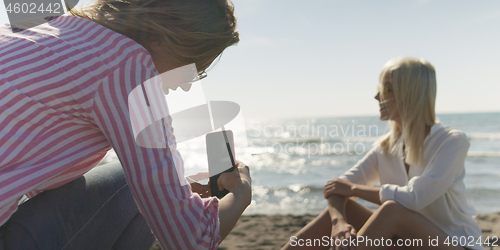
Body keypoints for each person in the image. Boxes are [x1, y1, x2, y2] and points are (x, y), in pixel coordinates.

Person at [0, 0, 251, 249]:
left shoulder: (40, 27)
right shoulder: (130, 66)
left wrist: (175, 191)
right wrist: (240, 196)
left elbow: (32, 173)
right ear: (156, 33)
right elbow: (189, 241)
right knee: (131, 186)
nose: (187, 83)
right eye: (192, 65)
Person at [282, 57, 483, 250]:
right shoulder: (386, 147)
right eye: (380, 89)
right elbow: (337, 188)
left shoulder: (452, 141)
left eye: (387, 89)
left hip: (456, 244)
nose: (378, 96)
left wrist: (353, 189)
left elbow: (415, 198)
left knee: (391, 211)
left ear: (410, 94)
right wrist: (339, 222)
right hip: (408, 243)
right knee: (347, 210)